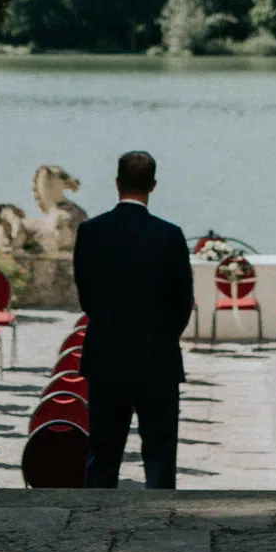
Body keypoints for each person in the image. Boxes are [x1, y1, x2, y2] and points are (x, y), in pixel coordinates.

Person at [73, 149, 194, 490]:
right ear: (153, 185)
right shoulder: (170, 235)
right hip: (158, 359)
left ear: (116, 183)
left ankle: (95, 527)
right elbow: (183, 302)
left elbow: (87, 298)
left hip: (106, 356)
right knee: (159, 458)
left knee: (103, 455)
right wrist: (163, 335)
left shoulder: (90, 232)